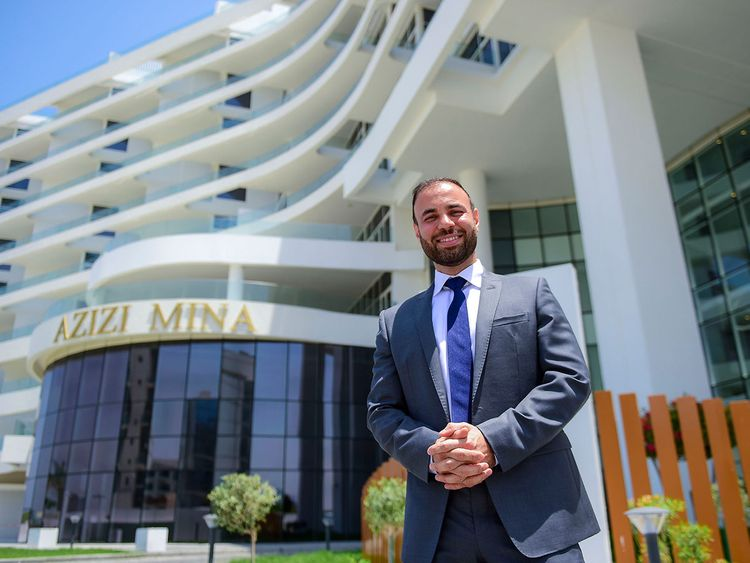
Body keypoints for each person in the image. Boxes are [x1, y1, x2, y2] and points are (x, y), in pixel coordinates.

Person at [367, 178, 599, 562]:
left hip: (538, 515)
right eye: (430, 216)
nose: (445, 222)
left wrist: (492, 441)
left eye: (455, 211)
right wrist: (433, 453)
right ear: (417, 230)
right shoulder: (395, 323)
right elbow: (381, 411)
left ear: (475, 217)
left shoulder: (531, 295)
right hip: (440, 527)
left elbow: (569, 379)